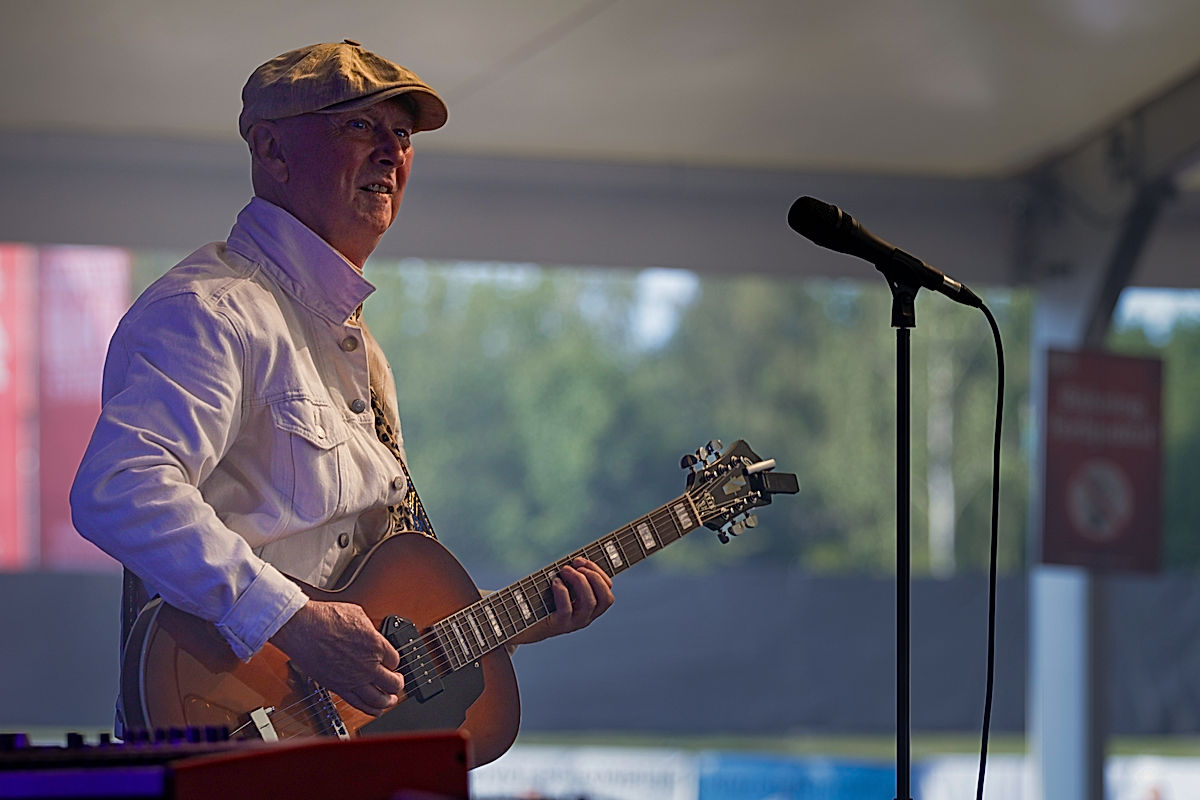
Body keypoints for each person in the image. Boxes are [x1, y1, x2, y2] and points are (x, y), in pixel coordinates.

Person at [70, 40, 614, 723]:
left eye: (403, 134)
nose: (390, 151)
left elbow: (373, 605)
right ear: (271, 151)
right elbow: (119, 490)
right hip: (225, 728)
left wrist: (509, 625)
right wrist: (293, 621)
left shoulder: (367, 356)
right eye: (359, 125)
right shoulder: (209, 309)